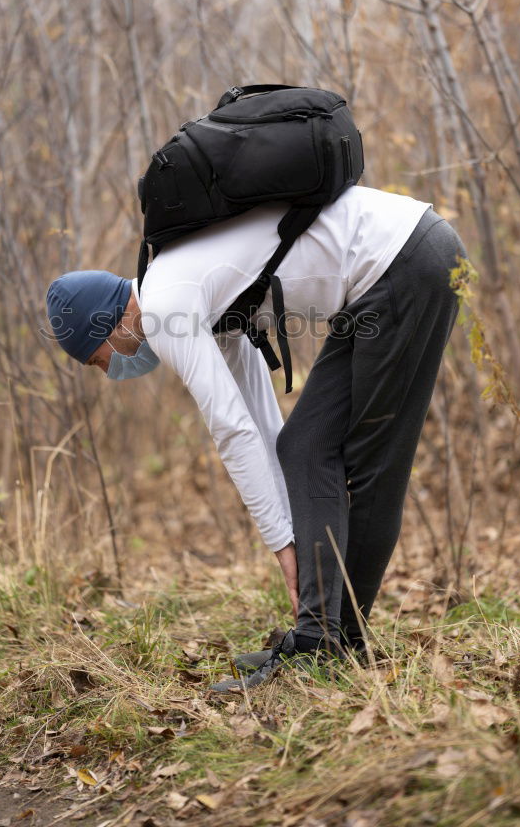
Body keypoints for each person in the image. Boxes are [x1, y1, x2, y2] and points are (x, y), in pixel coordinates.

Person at [45, 185, 468, 691]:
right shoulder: (196, 295)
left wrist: (284, 546)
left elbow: (231, 429)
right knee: (304, 445)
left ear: (108, 327)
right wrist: (291, 532)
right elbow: (263, 425)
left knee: (376, 463)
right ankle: (329, 641)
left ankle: (327, 646)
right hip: (390, 266)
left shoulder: (163, 308)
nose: (111, 369)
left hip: (406, 262)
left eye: (99, 359)